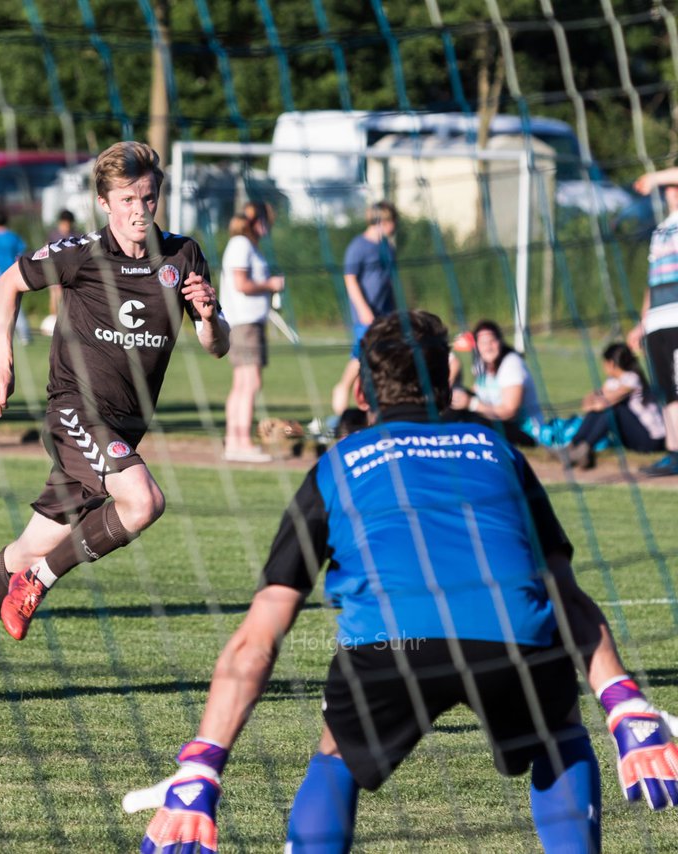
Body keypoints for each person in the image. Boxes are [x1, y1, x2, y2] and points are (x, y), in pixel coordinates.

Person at [123, 310, 678, 853]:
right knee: (559, 736)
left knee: (336, 754)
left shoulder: (336, 465)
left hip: (391, 644)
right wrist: (623, 702)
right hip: (514, 638)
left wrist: (203, 766)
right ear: (447, 387)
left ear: (363, 395)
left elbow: (259, 635)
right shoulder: (500, 453)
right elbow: (566, 595)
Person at [0, 141, 230, 701]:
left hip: (123, 430)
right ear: (105, 202)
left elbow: (217, 345)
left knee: (28, 547)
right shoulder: (81, 253)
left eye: (148, 197)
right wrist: (1, 361)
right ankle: (40, 583)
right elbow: (7, 283)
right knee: (143, 502)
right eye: (127, 198)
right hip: (75, 411)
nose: (139, 209)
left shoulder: (183, 256)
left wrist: (208, 316)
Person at [220, 205, 284, 463]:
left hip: (248, 322)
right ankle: (241, 442)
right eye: (266, 222)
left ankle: (234, 441)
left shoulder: (245, 245)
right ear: (256, 222)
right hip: (244, 323)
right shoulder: (241, 245)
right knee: (250, 382)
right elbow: (241, 284)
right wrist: (271, 284)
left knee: (242, 383)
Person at [628, 169, 678, 476]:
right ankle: (673, 452)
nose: (672, 191)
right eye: (670, 188)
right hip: (657, 321)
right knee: (665, 391)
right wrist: (641, 322)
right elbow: (651, 282)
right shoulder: (661, 230)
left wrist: (654, 177)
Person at [331, 201, 398, 417]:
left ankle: (375, 409)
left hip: (384, 315)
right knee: (360, 357)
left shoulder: (388, 247)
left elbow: (389, 282)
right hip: (366, 317)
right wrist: (363, 309)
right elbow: (350, 280)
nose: (395, 225)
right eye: (392, 221)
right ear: (383, 221)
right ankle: (342, 393)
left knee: (380, 361)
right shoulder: (359, 246)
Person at [562, 342, 666, 469]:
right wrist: (597, 400)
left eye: (604, 362)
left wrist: (598, 401)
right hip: (634, 437)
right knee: (608, 407)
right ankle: (573, 445)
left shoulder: (633, 379)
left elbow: (603, 403)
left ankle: (585, 448)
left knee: (615, 409)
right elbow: (587, 404)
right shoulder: (612, 381)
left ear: (611, 363)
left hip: (651, 440)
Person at [451, 319, 543, 447]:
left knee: (474, 422)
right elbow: (476, 393)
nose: (488, 347)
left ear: (500, 341)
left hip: (524, 432)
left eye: (492, 341)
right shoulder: (482, 364)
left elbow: (509, 412)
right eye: (483, 343)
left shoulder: (511, 364)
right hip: (497, 422)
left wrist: (471, 403)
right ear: (476, 345)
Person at [0, 207, 31, 345]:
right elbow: (20, 256)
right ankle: (24, 335)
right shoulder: (13, 237)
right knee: (17, 307)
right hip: (12, 276)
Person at [40, 209, 77, 334]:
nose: (66, 226)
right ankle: (54, 323)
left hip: (71, 272)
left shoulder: (75, 236)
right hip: (55, 271)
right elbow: (46, 252)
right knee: (55, 296)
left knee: (68, 298)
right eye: (64, 223)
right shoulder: (53, 236)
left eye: (68, 223)